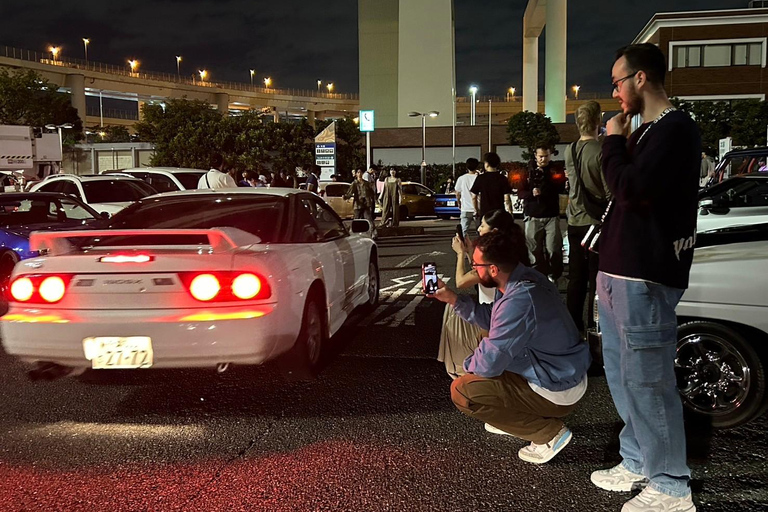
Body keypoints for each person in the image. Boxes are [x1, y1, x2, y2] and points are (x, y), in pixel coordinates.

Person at [591, 43, 701, 512]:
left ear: (639, 78)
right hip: (619, 271)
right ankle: (637, 458)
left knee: (649, 381)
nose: (613, 92)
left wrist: (613, 141)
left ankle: (672, 483)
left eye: (616, 81)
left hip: (645, 275)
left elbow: (632, 189)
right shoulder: (651, 130)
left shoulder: (676, 129)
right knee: (623, 376)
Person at [430, 231, 590, 464]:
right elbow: (494, 319)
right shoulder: (525, 279)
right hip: (561, 371)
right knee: (484, 349)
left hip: (556, 386)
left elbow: (489, 363)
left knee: (464, 391)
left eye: (476, 265)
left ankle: (547, 434)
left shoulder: (519, 300)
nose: (474, 270)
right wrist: (453, 299)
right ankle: (516, 419)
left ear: (493, 269)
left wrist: (468, 366)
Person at [438, 209, 530, 378]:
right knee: (453, 305)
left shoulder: (494, 264)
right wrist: (468, 252)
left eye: (482, 226)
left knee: (452, 310)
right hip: (495, 314)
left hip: (495, 320)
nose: (478, 229)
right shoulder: (512, 251)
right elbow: (478, 269)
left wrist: (459, 254)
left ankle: (461, 370)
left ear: (494, 232)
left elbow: (461, 282)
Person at [564, 102, 611, 350]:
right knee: (596, 280)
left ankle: (572, 330)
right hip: (596, 224)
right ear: (598, 121)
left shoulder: (569, 150)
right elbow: (609, 191)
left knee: (575, 279)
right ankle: (596, 331)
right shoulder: (601, 152)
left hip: (574, 222)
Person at [517, 145, 565, 283]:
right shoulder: (527, 171)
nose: (543, 159)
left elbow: (561, 188)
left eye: (546, 156)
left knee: (553, 247)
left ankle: (554, 274)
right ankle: (537, 274)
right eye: (540, 156)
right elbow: (520, 192)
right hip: (532, 214)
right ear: (535, 156)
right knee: (533, 249)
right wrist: (531, 194)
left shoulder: (555, 169)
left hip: (551, 214)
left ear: (550, 155)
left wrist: (555, 180)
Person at [470, 152, 513, 220]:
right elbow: (507, 198)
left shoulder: (481, 178)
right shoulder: (502, 178)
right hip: (499, 213)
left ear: (486, 164)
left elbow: (474, 196)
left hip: (485, 213)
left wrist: (476, 210)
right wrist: (510, 211)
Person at [455, 158, 480, 237]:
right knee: (481, 231)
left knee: (463, 231)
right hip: (478, 208)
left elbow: (457, 193)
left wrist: (459, 203)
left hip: (465, 208)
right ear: (477, 166)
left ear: (467, 167)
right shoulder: (479, 178)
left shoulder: (462, 178)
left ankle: (462, 247)